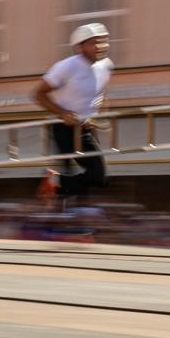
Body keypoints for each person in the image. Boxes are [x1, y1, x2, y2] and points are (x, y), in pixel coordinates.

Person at [32, 23, 112, 205]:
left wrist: (97, 115)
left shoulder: (106, 66)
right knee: (73, 176)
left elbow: (100, 92)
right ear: (80, 46)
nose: (100, 47)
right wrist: (63, 113)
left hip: (84, 127)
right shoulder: (67, 67)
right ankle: (57, 197)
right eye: (93, 43)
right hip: (63, 127)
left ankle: (54, 184)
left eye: (103, 42)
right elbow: (38, 94)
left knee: (98, 177)